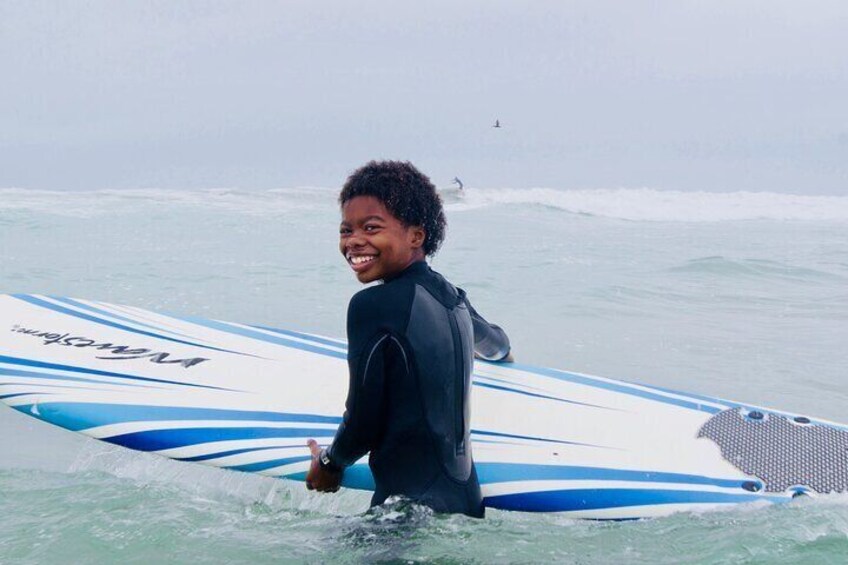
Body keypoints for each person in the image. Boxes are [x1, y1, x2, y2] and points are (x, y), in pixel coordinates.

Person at [305, 160, 512, 518]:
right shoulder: (455, 300)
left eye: (371, 227)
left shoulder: (372, 305)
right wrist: (504, 358)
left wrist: (329, 462)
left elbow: (362, 424)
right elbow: (498, 344)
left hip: (406, 515)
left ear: (416, 236)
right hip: (466, 504)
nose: (354, 241)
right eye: (345, 230)